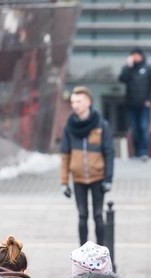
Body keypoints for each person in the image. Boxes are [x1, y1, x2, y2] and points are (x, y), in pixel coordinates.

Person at [59, 86, 115, 246]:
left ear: (89, 102)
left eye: (79, 101)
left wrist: (108, 178)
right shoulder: (69, 126)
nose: (75, 105)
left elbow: (109, 152)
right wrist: (64, 182)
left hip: (98, 177)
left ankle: (102, 250)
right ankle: (82, 251)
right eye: (73, 102)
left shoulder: (101, 125)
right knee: (82, 215)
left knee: (98, 215)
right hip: (78, 179)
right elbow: (65, 155)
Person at [118, 47, 151, 160]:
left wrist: (150, 99)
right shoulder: (128, 69)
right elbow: (122, 79)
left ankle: (144, 151)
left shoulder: (149, 68)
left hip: (144, 104)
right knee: (134, 129)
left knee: (143, 127)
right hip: (131, 104)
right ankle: (136, 152)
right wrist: (129, 67)